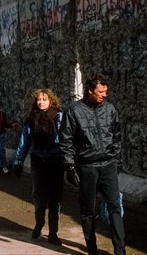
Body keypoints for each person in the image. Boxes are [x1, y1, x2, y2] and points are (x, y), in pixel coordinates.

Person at [60, 73, 125, 255]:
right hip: (86, 167)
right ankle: (92, 250)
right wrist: (70, 166)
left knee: (114, 207)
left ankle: (120, 251)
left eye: (105, 91)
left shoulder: (110, 109)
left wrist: (114, 156)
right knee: (88, 210)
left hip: (108, 166)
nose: (104, 95)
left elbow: (117, 134)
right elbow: (66, 140)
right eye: (100, 91)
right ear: (90, 91)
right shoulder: (73, 111)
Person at [13, 89, 65, 246]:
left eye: (44, 99)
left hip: (55, 161)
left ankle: (53, 233)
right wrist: (18, 161)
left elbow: (67, 139)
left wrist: (70, 163)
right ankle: (39, 222)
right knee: (39, 197)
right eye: (38, 99)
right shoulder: (31, 118)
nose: (41, 102)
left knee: (55, 199)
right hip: (38, 162)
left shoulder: (60, 117)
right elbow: (24, 141)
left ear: (51, 100)